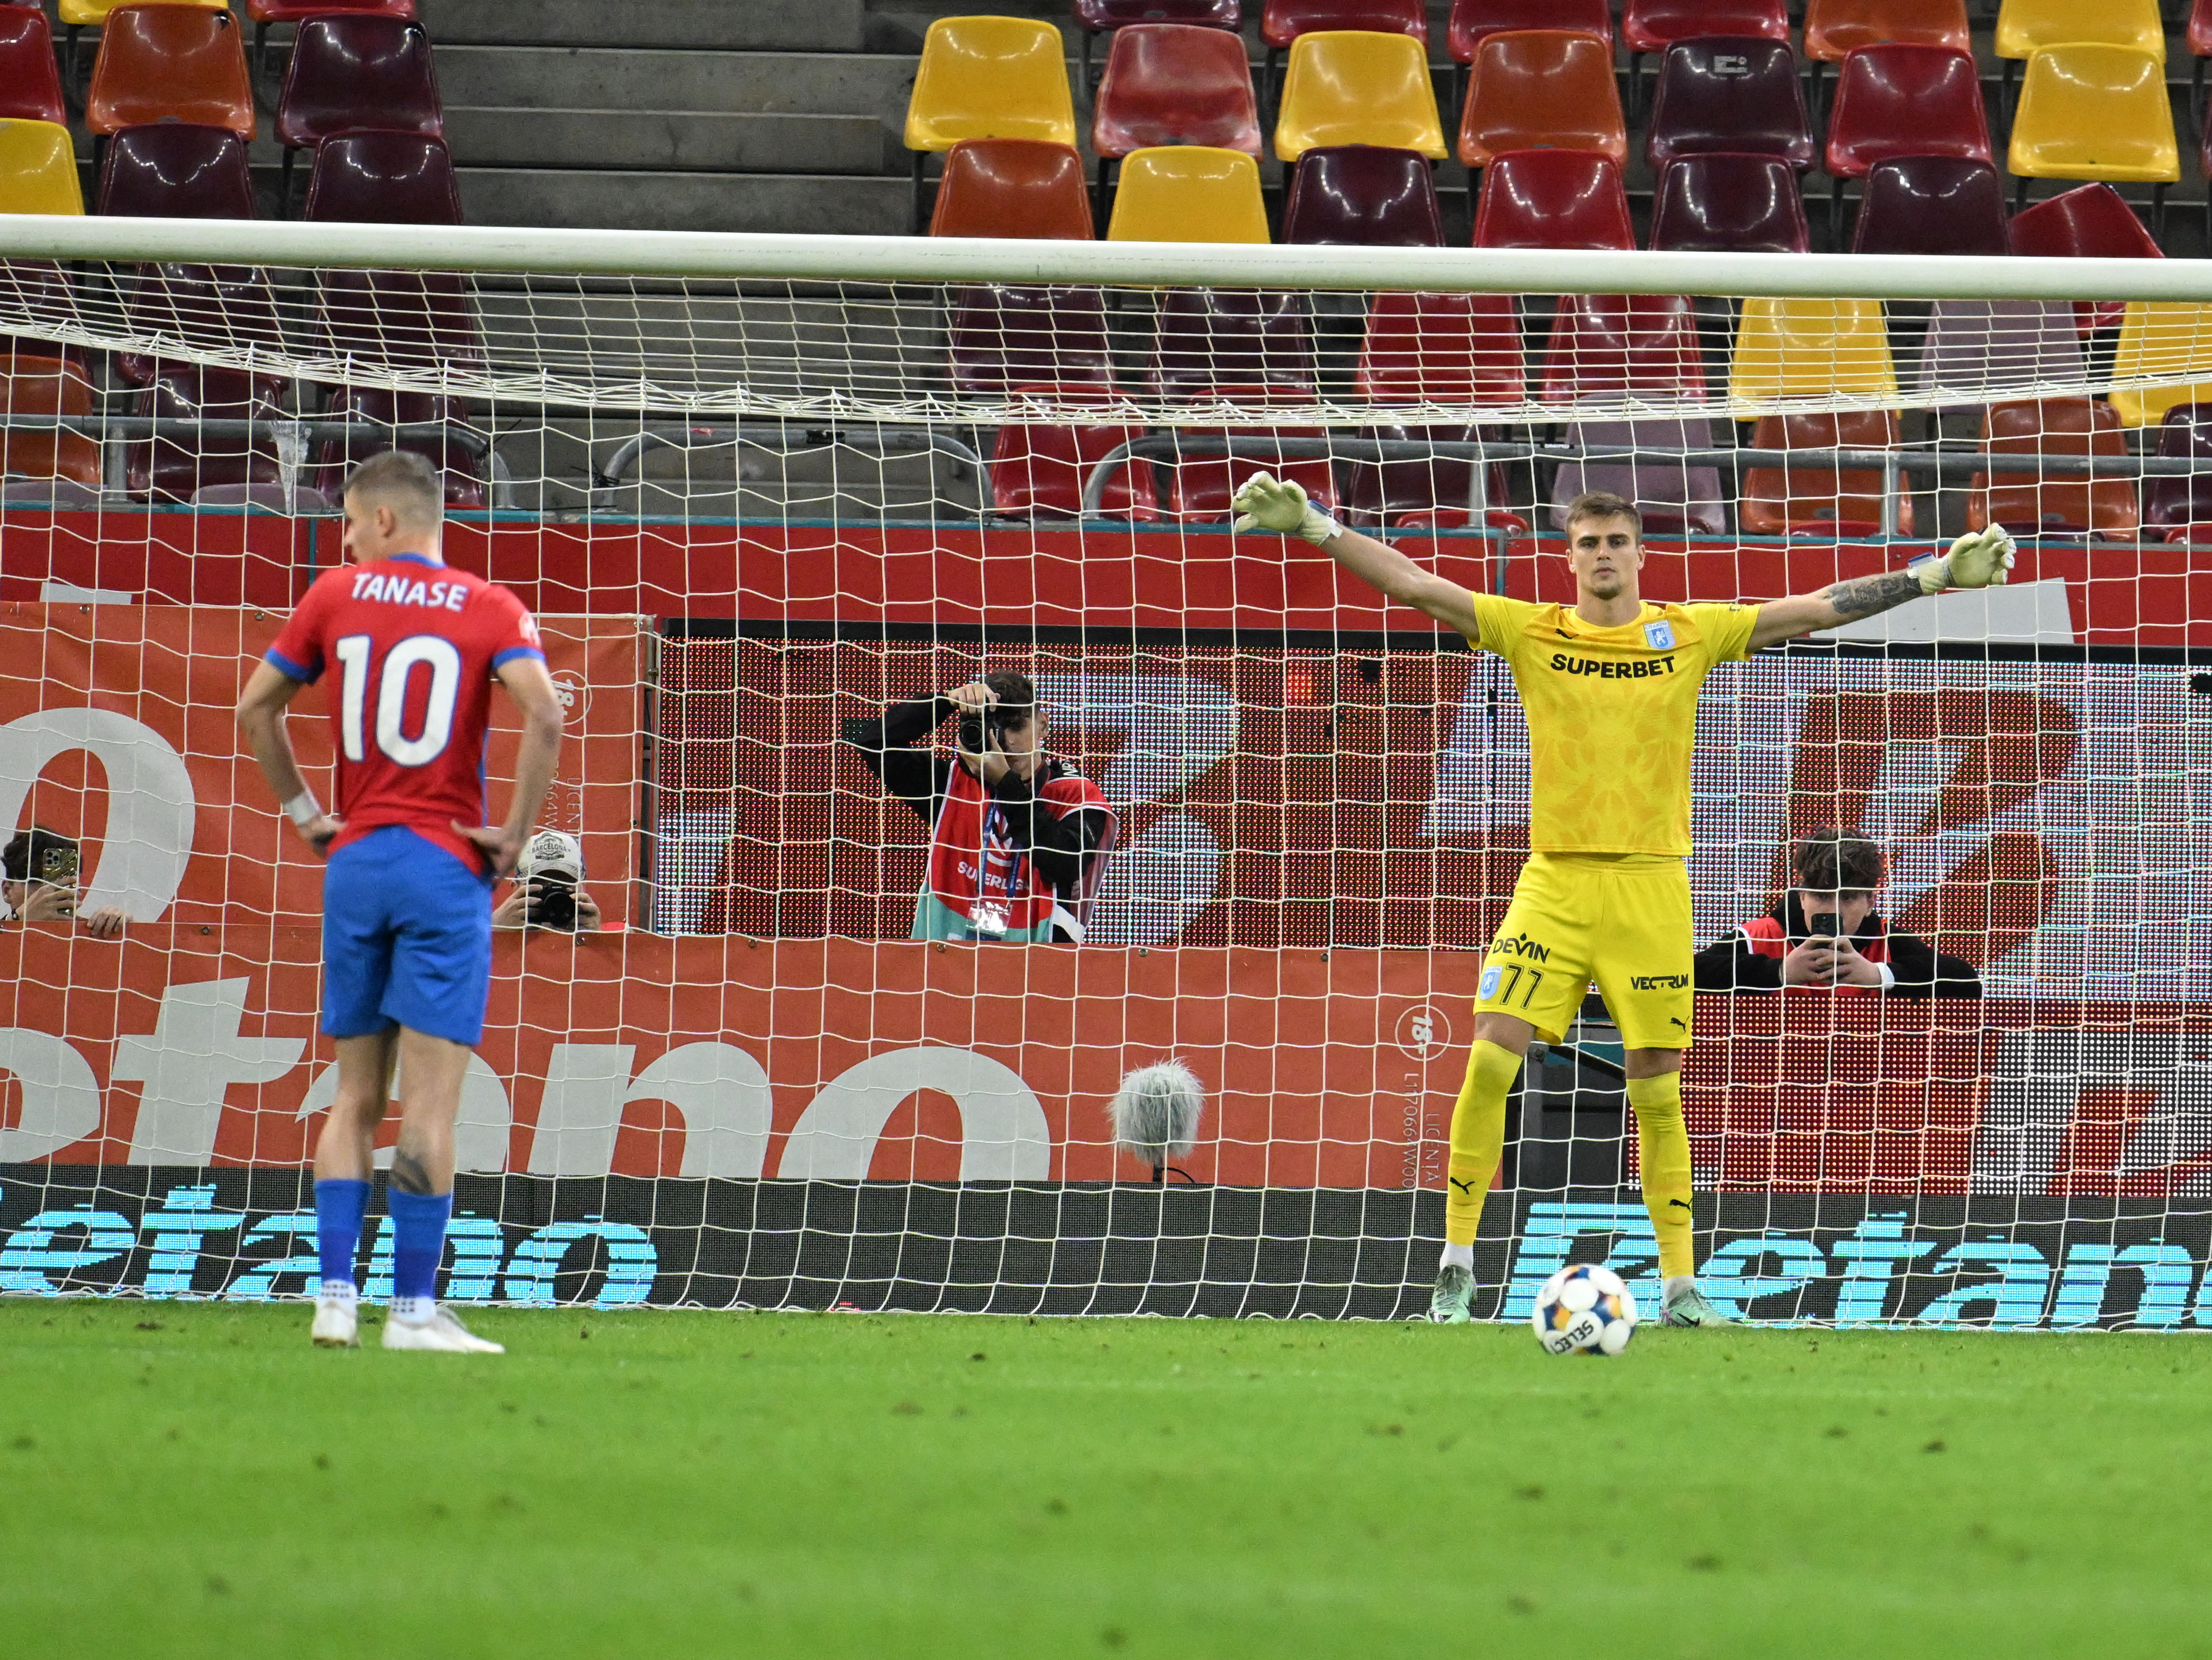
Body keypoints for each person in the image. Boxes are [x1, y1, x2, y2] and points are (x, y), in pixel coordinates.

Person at [1229, 475, 2014, 1327]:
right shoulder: (1532, 632)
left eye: (1615, 542)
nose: (1603, 556)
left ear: (1642, 553)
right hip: (1555, 881)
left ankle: (1682, 1289)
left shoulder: (1688, 633)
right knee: (1492, 1057)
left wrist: (1933, 576)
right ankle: (1454, 1274)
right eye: (1588, 543)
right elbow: (1417, 585)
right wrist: (1313, 524)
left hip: (1650, 886)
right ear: (1568, 559)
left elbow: (1817, 608)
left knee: (1658, 1086)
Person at [235, 449, 564, 1354]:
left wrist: (307, 815)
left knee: (351, 1097)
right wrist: (515, 833)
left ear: (381, 521)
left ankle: (333, 1296)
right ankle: (412, 1311)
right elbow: (546, 715)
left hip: (357, 861)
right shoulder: (491, 606)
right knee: (431, 1109)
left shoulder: (333, 596)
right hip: (442, 863)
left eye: (346, 521)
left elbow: (256, 708)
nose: (344, 537)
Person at [841, 669, 1112, 943]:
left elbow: (1065, 865)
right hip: (949, 965)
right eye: (996, 730)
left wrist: (1005, 783)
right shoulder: (952, 786)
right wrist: (945, 702)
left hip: (1041, 968)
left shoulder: (1075, 794)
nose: (1006, 742)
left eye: (1016, 726)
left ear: (1043, 724)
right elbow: (874, 742)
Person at [1694, 828, 1982, 998]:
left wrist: (1877, 974)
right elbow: (1689, 976)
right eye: (1821, 896)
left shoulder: (1887, 939)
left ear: (1871, 901)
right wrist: (1780, 971)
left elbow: (1968, 985)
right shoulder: (1759, 935)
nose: (1833, 910)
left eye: (1847, 898)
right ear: (1802, 896)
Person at [2, 828, 125, 939]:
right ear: (7, 891)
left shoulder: (94, 934)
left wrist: (129, 931)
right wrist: (17, 920)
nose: (47, 892)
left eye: (63, 879)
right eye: (37, 879)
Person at [492, 828, 603, 933]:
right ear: (516, 890)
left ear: (583, 888)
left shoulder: (615, 939)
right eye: (539, 886)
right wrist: (495, 929)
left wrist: (594, 940)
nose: (552, 899)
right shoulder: (493, 933)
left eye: (564, 885)